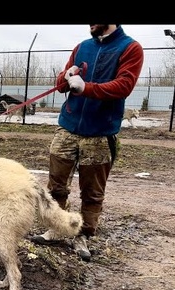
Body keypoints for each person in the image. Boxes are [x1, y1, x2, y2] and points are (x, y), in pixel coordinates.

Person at [30, 24, 144, 261]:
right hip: (67, 128)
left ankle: (83, 235)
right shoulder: (82, 48)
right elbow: (62, 85)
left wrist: (87, 87)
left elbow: (124, 85)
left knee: (92, 192)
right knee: (56, 185)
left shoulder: (130, 48)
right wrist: (66, 77)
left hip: (100, 133)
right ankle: (58, 228)